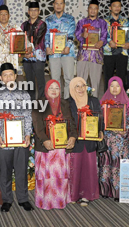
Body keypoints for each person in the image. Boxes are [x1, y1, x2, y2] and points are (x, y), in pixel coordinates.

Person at [0, 63, 34, 212]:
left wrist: (28, 134)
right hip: (3, 139)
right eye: (5, 75)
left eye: (11, 74)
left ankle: (23, 199)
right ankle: (7, 200)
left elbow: (28, 116)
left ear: (15, 76)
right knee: (5, 170)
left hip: (21, 138)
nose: (8, 77)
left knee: (21, 169)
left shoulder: (24, 95)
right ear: (1, 78)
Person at [32, 79, 77, 209]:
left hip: (61, 149)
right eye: (51, 88)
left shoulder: (64, 103)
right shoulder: (39, 103)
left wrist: (73, 137)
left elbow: (72, 123)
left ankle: (60, 200)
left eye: (56, 88)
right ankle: (45, 201)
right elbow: (37, 125)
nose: (54, 90)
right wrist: (45, 140)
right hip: (46, 147)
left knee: (60, 176)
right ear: (46, 90)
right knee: (45, 177)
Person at [67, 77, 102, 206]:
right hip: (75, 141)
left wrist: (100, 130)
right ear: (72, 88)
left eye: (83, 85)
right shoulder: (67, 103)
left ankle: (86, 195)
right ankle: (73, 195)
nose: (80, 89)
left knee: (88, 168)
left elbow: (100, 117)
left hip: (89, 140)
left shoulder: (93, 101)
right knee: (74, 168)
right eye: (77, 86)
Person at [98, 76, 129, 200]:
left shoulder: (128, 104)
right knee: (105, 165)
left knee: (119, 166)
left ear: (121, 87)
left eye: (117, 86)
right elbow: (98, 120)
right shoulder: (103, 103)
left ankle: (118, 192)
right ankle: (105, 190)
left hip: (120, 141)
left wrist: (121, 131)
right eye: (112, 86)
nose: (114, 89)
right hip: (107, 139)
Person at [45, 0, 76, 98]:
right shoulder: (48, 20)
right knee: (55, 80)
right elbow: (46, 35)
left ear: (64, 5)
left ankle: (67, 102)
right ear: (53, 5)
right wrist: (47, 47)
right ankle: (56, 103)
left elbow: (71, 35)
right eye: (56, 3)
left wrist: (68, 47)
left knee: (69, 79)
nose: (58, 6)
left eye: (61, 3)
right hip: (53, 54)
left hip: (68, 52)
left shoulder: (70, 19)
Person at [75, 0, 108, 98]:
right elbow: (77, 35)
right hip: (83, 55)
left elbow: (105, 35)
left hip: (96, 56)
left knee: (95, 82)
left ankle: (94, 105)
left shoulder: (103, 23)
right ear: (88, 9)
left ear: (98, 10)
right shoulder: (81, 22)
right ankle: (80, 104)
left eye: (95, 9)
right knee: (80, 81)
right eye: (91, 8)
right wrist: (82, 35)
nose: (93, 10)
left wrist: (101, 41)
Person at [103, 0, 129, 86]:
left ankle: (121, 99)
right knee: (108, 77)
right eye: (114, 6)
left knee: (121, 78)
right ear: (110, 8)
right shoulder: (105, 21)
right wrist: (109, 41)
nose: (117, 8)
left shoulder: (125, 21)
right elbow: (103, 34)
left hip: (122, 52)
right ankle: (107, 99)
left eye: (119, 6)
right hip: (108, 52)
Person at [23, 0, 48, 100]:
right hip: (26, 57)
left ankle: (42, 100)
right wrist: (24, 52)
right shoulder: (23, 25)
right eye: (31, 10)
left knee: (40, 80)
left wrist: (30, 50)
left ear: (39, 12)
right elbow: (21, 40)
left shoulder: (42, 24)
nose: (33, 12)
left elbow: (38, 39)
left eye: (35, 10)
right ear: (28, 12)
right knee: (29, 80)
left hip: (38, 57)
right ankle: (31, 100)